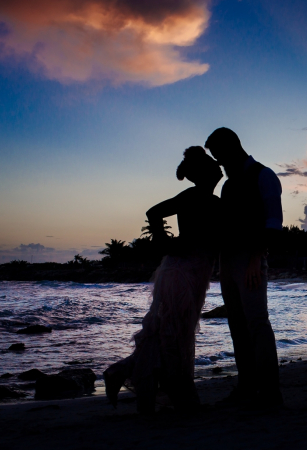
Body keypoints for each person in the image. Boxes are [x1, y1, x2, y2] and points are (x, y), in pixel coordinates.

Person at [103, 146, 222, 414]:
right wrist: (164, 242)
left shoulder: (210, 200)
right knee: (172, 336)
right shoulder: (194, 196)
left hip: (189, 272)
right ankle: (180, 397)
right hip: (180, 273)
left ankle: (123, 374)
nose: (218, 170)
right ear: (204, 174)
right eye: (213, 167)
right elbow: (153, 212)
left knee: (166, 334)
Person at [204, 127, 283, 409]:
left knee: (257, 324)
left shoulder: (264, 175)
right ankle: (247, 387)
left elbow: (273, 224)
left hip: (251, 260)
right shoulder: (228, 185)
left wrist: (254, 259)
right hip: (228, 262)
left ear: (232, 149)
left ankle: (271, 393)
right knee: (237, 326)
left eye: (220, 157)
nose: (220, 164)